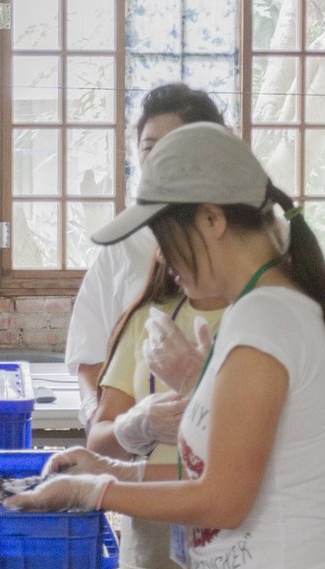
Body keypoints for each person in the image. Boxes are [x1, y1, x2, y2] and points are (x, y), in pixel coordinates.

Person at [1, 122, 325, 569]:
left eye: (168, 240)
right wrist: (111, 469)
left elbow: (224, 500)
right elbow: (229, 474)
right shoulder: (259, 311)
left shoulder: (267, 320)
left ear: (213, 218)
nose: (167, 263)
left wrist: (94, 492)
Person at [65, 84, 226, 431]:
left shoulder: (248, 250)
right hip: (145, 461)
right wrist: (115, 425)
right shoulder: (122, 245)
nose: (159, 159)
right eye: (149, 147)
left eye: (175, 146)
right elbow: (90, 356)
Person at [87, 256, 226, 569]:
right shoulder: (146, 321)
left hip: (237, 547)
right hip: (155, 544)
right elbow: (98, 439)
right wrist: (134, 426)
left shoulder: (259, 319)